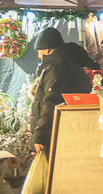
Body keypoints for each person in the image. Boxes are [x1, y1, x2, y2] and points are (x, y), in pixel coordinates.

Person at [30, 27, 95, 155]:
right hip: (76, 133)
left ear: (48, 50)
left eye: (39, 51)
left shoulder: (56, 70)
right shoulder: (77, 67)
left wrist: (40, 136)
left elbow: (51, 104)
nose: (38, 55)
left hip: (56, 137)